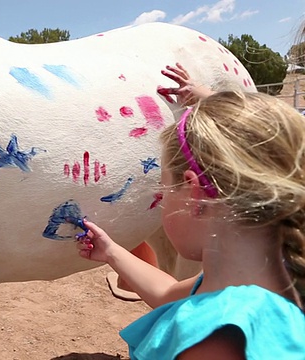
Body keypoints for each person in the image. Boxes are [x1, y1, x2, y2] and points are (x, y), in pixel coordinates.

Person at [76, 63, 305, 359]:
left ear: (194, 193)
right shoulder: (267, 277)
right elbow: (167, 294)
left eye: (165, 188)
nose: (161, 197)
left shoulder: (216, 340)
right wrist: (111, 252)